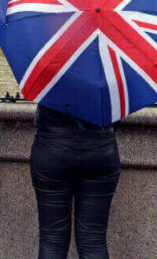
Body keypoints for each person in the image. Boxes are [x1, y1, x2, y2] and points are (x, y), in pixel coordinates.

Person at [30, 104, 121, 259]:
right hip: (100, 149)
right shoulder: (107, 79)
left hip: (52, 148)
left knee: (52, 241)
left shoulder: (50, 79)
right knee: (93, 242)